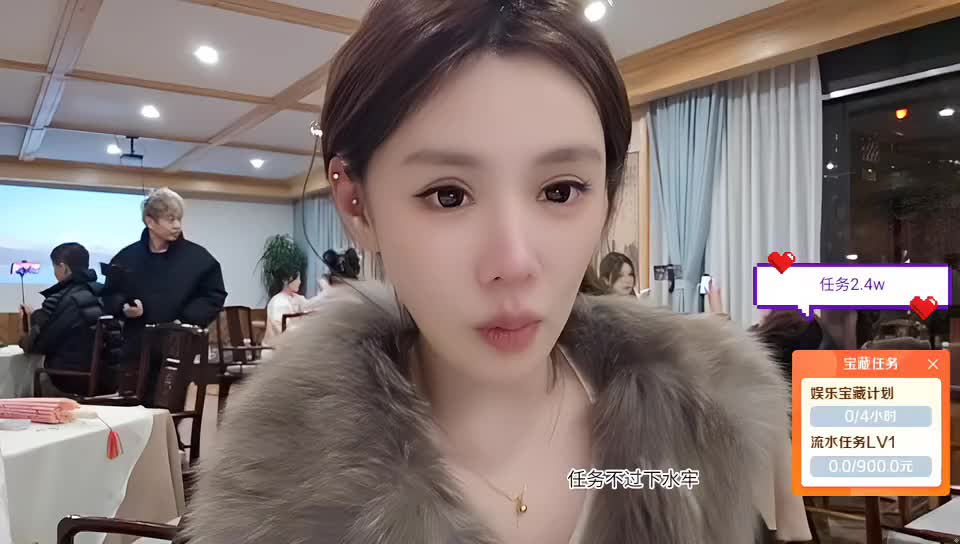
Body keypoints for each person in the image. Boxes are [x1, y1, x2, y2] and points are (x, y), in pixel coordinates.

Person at [187, 2, 788, 543]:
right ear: (357, 205)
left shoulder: (702, 435)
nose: (514, 263)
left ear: (607, 196)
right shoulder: (278, 503)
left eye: (560, 190)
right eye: (448, 195)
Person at [103, 187, 227, 400]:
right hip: (136, 347)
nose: (177, 225)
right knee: (132, 409)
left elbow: (214, 295)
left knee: (168, 407)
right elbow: (110, 294)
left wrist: (185, 320)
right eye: (170, 219)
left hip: (178, 346)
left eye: (179, 219)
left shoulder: (199, 259)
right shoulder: (126, 257)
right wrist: (124, 308)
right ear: (150, 222)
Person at [18, 243, 105, 394]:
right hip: (109, 379)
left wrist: (27, 322)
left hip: (70, 380)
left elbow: (34, 347)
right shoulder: (105, 292)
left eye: (54, 267)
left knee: (33, 383)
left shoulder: (59, 300)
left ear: (63, 268)